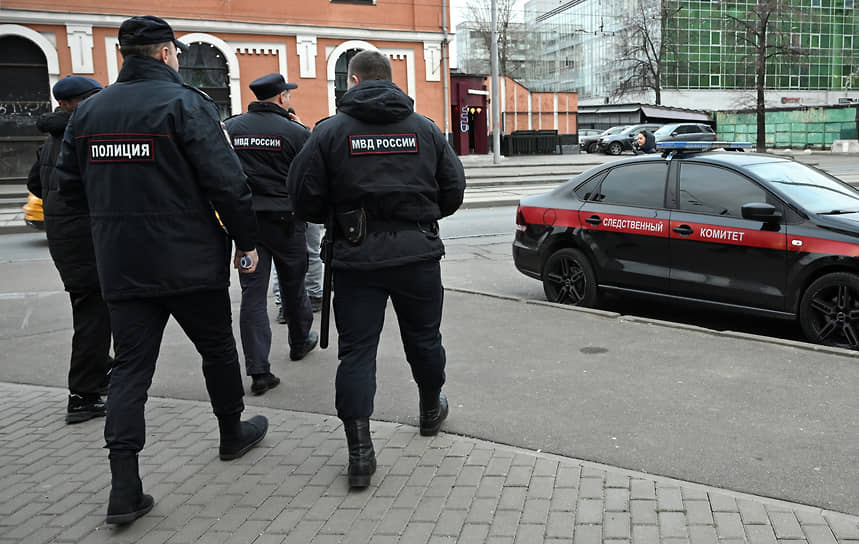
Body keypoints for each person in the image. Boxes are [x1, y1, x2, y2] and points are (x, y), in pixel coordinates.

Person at [54, 15, 268, 525]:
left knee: (130, 368)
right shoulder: (187, 104)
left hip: (122, 264)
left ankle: (124, 485)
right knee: (217, 348)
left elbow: (68, 191)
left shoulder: (90, 112)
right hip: (189, 259)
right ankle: (231, 432)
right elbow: (228, 184)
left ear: (123, 54)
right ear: (168, 52)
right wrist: (247, 241)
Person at [287, 49, 466, 489]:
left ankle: (360, 453)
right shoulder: (424, 128)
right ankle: (430, 410)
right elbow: (454, 188)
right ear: (390, 78)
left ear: (353, 81)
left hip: (355, 259)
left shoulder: (330, 132)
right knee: (424, 338)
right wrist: (419, 218)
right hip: (417, 255)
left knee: (356, 352)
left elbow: (303, 196)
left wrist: (339, 217)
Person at [225, 74, 318, 396]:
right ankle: (299, 341)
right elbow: (309, 178)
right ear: (281, 98)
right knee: (294, 285)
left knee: (252, 294)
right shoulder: (295, 132)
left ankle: (258, 371)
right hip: (287, 223)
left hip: (247, 226)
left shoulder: (232, 129)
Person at [27, 75, 112, 424]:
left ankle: (99, 374)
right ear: (67, 103)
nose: (96, 103)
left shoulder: (51, 139)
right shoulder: (79, 137)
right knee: (93, 318)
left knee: (92, 312)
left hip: (67, 237)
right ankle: (82, 397)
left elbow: (36, 183)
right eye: (89, 98)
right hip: (83, 239)